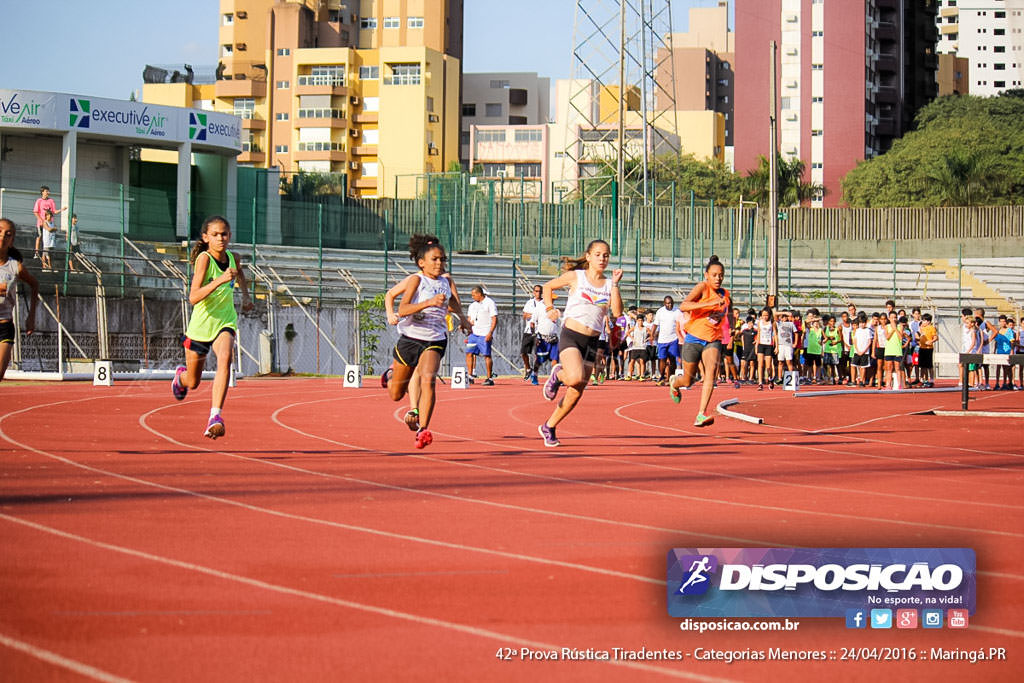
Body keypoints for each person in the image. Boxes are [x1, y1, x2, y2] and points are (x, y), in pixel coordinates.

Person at [381, 234, 471, 448]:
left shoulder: (447, 281)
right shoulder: (416, 280)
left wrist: (464, 319)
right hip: (410, 338)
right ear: (422, 262)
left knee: (428, 379)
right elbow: (403, 309)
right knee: (395, 395)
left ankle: (423, 429)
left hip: (435, 339)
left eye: (443, 259)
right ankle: (392, 374)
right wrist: (428, 302)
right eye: (435, 259)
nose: (440, 263)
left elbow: (454, 304)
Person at [171, 215, 254, 439]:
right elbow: (193, 297)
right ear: (206, 237)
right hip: (200, 326)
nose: (221, 239)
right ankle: (181, 378)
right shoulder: (204, 260)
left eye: (224, 234)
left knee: (226, 359)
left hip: (225, 321)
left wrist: (246, 297)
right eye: (215, 235)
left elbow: (241, 275)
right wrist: (219, 280)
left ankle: (215, 416)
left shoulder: (233, 258)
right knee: (194, 382)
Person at [537, 239, 623, 447]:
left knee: (577, 391)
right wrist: (550, 309)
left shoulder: (608, 285)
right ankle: (558, 374)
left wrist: (615, 285)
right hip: (571, 335)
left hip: (593, 341)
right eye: (598, 254)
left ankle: (549, 426)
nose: (602, 259)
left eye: (606, 255)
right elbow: (548, 287)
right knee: (574, 377)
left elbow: (618, 313)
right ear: (588, 256)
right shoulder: (577, 277)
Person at [669, 255, 733, 427]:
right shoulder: (702, 288)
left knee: (710, 373)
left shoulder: (725, 295)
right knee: (688, 381)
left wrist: (730, 332)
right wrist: (708, 304)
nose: (718, 278)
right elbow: (684, 306)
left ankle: (701, 413)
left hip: (713, 339)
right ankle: (675, 383)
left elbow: (729, 313)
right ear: (706, 275)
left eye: (721, 275)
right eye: (714, 275)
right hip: (694, 338)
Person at [0, 219, 39, 381]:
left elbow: (34, 285)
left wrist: (31, 317)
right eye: (0, 231)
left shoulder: (15, 267)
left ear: (12, 241)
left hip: (3, 326)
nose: (2, 236)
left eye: (8, 235)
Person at [464, 286, 497, 386]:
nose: (472, 297)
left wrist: (490, 332)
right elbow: (469, 318)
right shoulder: (472, 305)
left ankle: (489, 377)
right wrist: (467, 326)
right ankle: (470, 376)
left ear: (479, 294)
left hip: (485, 333)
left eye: (474, 295)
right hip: (474, 333)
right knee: (469, 353)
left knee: (486, 355)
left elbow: (494, 319)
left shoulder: (489, 303)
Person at [653, 295, 681, 386]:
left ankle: (671, 378)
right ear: (664, 303)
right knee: (662, 359)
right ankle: (661, 377)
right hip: (662, 340)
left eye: (671, 303)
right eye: (668, 303)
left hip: (673, 339)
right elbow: (655, 324)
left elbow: (681, 324)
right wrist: (652, 335)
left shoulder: (677, 311)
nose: (670, 305)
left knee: (673, 359)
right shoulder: (660, 312)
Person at [520, 285, 544, 380]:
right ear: (533, 292)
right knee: (523, 352)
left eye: (539, 291)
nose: (538, 293)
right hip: (529, 331)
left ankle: (535, 372)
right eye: (536, 291)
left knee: (537, 354)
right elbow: (525, 315)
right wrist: (534, 315)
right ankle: (528, 368)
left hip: (539, 331)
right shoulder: (529, 303)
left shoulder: (544, 303)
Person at [32, 186, 63, 260]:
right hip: (41, 223)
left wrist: (62, 209)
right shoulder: (39, 201)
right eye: (46, 191)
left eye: (48, 191)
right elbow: (35, 212)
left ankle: (47, 254)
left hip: (49, 223)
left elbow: (54, 211)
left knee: (49, 237)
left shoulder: (51, 201)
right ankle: (36, 253)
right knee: (39, 236)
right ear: (42, 192)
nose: (48, 193)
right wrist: (41, 220)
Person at [755, 307, 775, 390]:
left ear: (769, 315)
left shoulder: (772, 323)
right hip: (761, 344)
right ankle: (760, 382)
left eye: (766, 315)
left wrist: (776, 346)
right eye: (763, 315)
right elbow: (758, 333)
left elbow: (775, 335)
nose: (765, 317)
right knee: (760, 364)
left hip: (769, 345)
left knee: (768, 366)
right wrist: (756, 345)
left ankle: (770, 378)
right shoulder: (760, 322)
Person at [851, 312, 873, 387]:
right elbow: (855, 341)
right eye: (860, 323)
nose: (862, 325)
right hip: (857, 352)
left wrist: (863, 351)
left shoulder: (868, 331)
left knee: (863, 367)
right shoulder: (857, 331)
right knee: (855, 365)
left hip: (865, 352)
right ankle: (854, 380)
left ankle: (862, 381)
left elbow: (869, 342)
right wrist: (858, 350)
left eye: (863, 323)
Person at [917, 312, 937, 388]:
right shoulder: (922, 328)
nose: (923, 322)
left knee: (929, 365)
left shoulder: (932, 328)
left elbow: (935, 337)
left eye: (924, 320)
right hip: (922, 348)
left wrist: (930, 341)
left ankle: (931, 380)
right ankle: (923, 380)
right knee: (922, 365)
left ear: (928, 321)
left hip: (928, 349)